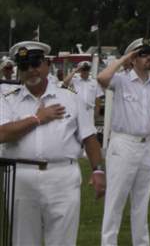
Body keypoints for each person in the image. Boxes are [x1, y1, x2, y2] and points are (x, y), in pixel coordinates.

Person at [0, 39, 106, 244]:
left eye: (35, 64)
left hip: (62, 177)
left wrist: (98, 170)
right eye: (24, 66)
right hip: (21, 177)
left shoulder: (70, 98)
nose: (31, 71)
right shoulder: (7, 98)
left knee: (63, 241)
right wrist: (37, 118)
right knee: (23, 241)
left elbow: (89, 137)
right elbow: (2, 134)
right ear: (18, 70)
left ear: (47, 64)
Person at [98, 37, 150, 246]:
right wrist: (125, 59)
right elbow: (102, 78)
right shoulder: (121, 80)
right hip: (123, 144)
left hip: (146, 145)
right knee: (115, 202)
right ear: (134, 58)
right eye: (143, 55)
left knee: (141, 202)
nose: (148, 59)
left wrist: (143, 134)